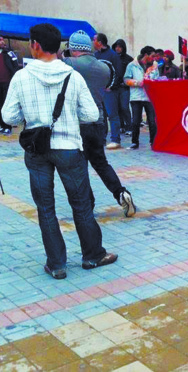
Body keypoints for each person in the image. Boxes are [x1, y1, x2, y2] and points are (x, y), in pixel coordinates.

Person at [2, 23, 118, 279]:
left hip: (37, 149)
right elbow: (90, 113)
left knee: (46, 208)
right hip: (69, 149)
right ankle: (93, 255)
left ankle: (57, 264)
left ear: (36, 45)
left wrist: (31, 116)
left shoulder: (22, 76)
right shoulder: (72, 76)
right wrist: (68, 115)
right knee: (81, 205)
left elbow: (9, 116)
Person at [63, 30, 136, 218]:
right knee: (101, 163)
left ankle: (88, 202)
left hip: (77, 122)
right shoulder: (105, 67)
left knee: (79, 166)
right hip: (98, 120)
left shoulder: (68, 64)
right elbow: (108, 87)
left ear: (73, 48)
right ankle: (121, 193)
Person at [124, 46, 159, 149]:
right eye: (152, 56)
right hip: (136, 96)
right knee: (136, 121)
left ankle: (153, 142)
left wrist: (153, 83)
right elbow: (126, 79)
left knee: (152, 121)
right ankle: (135, 142)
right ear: (146, 55)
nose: (154, 59)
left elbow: (156, 78)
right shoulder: (132, 65)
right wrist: (137, 83)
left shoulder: (155, 66)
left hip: (149, 97)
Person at [93, 33, 123, 149]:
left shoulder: (113, 55)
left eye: (94, 40)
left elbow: (118, 72)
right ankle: (102, 139)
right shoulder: (95, 56)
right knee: (101, 116)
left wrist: (111, 86)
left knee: (112, 115)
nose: (93, 42)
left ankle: (115, 139)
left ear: (100, 42)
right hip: (98, 91)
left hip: (110, 91)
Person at [111, 38, 134, 136]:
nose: (117, 48)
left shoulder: (129, 59)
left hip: (124, 87)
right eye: (116, 46)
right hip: (115, 87)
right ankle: (122, 126)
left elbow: (133, 72)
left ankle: (129, 127)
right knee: (118, 108)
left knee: (125, 107)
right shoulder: (113, 58)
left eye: (119, 47)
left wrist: (128, 82)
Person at [0, 36, 19, 135]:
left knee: (5, 105)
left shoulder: (9, 53)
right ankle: (2, 125)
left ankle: (7, 126)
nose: (2, 42)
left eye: (2, 40)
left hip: (7, 83)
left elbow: (15, 65)